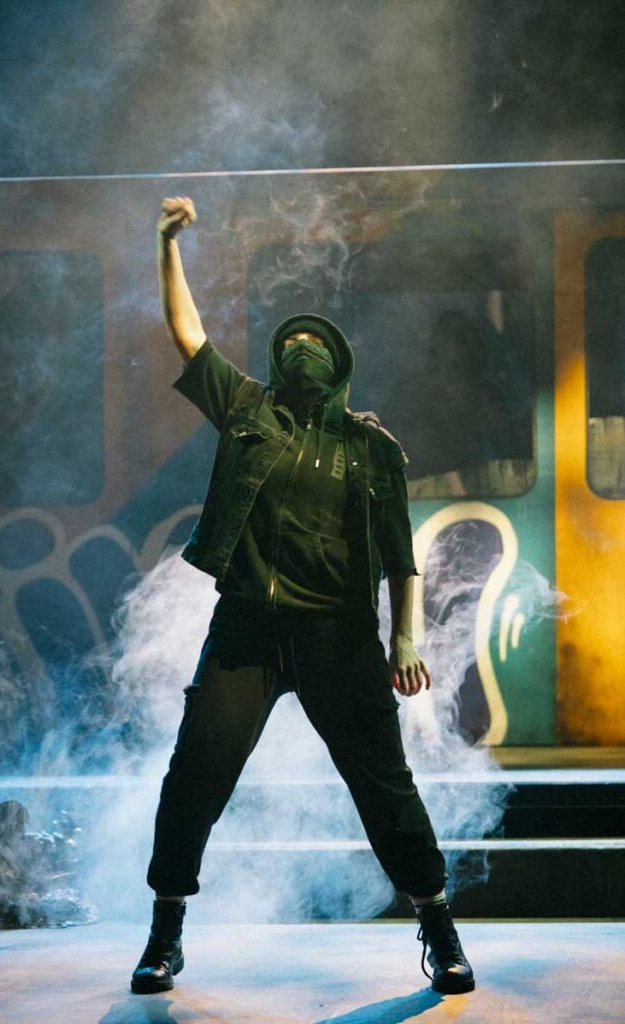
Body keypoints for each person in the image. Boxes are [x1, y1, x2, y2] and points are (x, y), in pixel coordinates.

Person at [130, 196, 475, 996]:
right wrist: (167, 245)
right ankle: (164, 933)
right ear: (276, 361)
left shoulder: (370, 446)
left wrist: (405, 638)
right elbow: (188, 335)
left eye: (318, 343)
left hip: (339, 638)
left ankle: (439, 927)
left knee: (384, 785)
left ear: (340, 365)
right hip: (246, 631)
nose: (303, 348)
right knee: (195, 774)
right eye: (291, 342)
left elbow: (402, 557)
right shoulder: (246, 408)